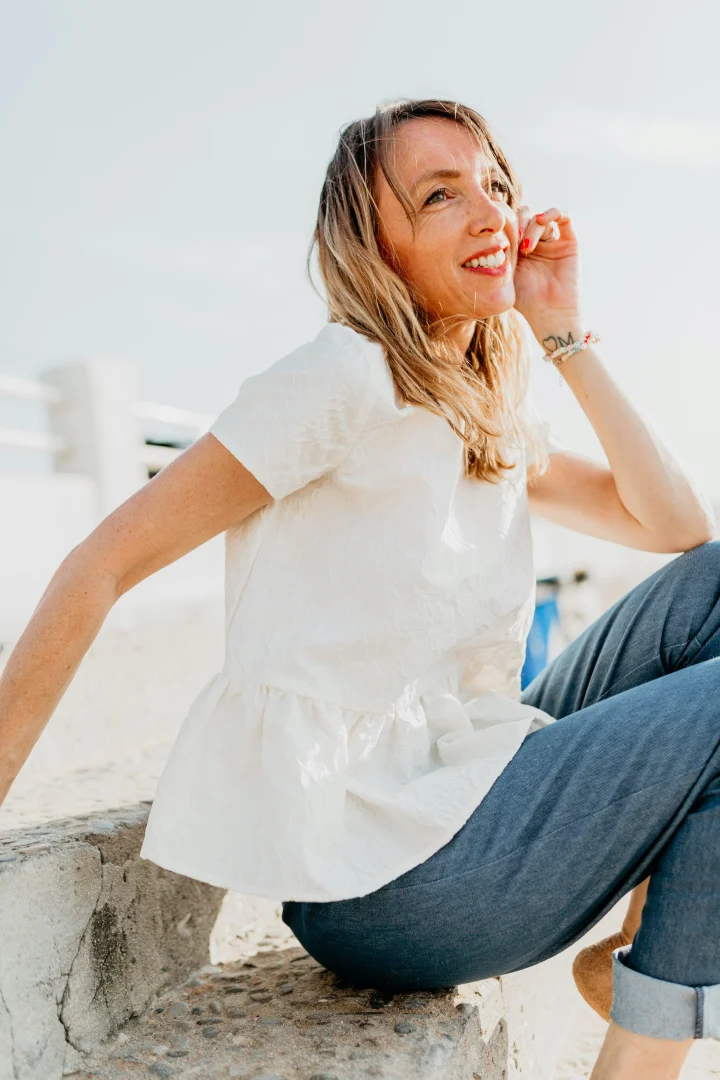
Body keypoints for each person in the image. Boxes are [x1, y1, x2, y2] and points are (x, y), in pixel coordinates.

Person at [0, 98, 717, 1080]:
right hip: (390, 878)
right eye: (439, 195)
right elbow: (104, 562)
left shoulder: (476, 404)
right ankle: (641, 1056)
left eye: (496, 186)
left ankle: (644, 950)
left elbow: (680, 529)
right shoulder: (343, 377)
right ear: (373, 241)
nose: (489, 214)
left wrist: (565, 336)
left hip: (458, 779)